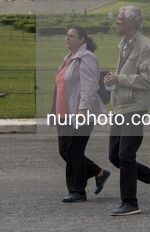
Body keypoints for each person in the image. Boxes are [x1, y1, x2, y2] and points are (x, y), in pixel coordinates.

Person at [104, 6, 150, 216]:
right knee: (115, 156)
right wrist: (114, 79)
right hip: (120, 107)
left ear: (132, 22)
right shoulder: (123, 44)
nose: (116, 22)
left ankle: (130, 203)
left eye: (120, 19)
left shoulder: (145, 47)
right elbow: (129, 73)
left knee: (126, 154)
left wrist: (120, 79)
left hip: (135, 107)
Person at [50, 26, 110, 203]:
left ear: (82, 39)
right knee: (65, 151)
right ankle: (99, 173)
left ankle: (77, 191)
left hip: (79, 113)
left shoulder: (87, 58)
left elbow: (90, 86)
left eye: (71, 36)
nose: (67, 39)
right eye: (66, 36)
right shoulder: (69, 59)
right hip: (64, 114)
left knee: (74, 151)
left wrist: (83, 110)